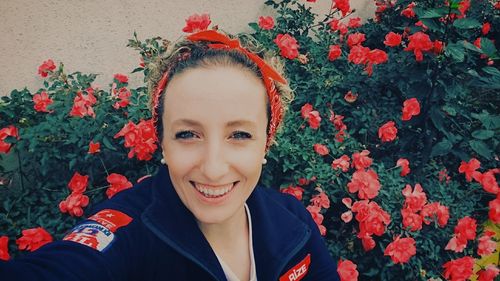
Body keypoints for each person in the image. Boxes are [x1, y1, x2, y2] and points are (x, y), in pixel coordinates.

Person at [0, 29, 339, 281]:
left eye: (239, 134)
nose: (214, 168)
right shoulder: (126, 235)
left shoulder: (293, 220)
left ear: (266, 142)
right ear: (162, 141)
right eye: (188, 134)